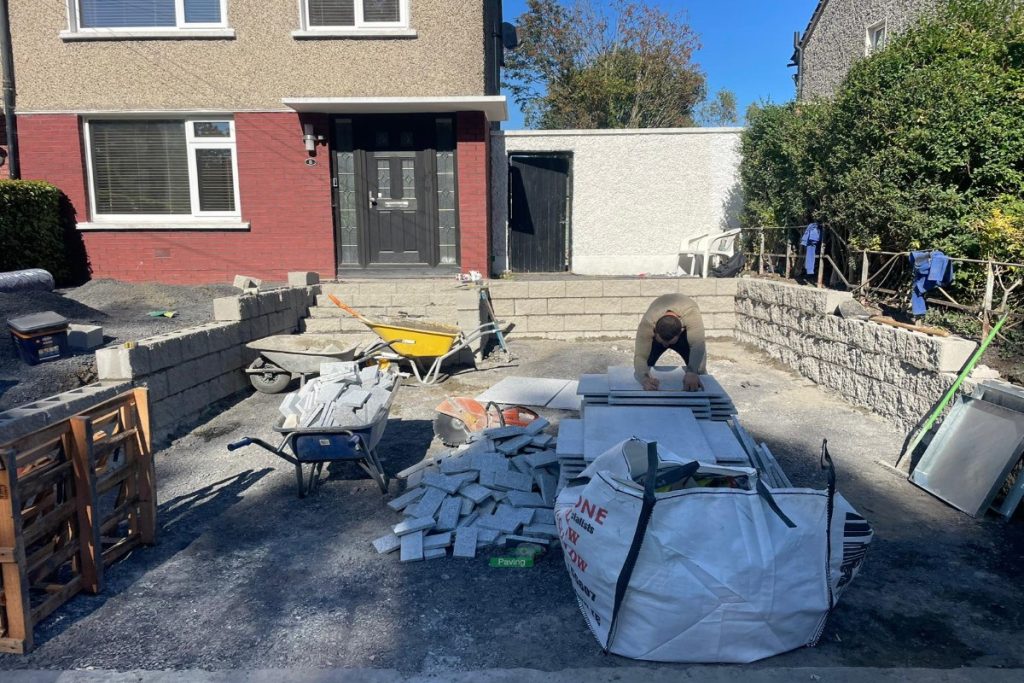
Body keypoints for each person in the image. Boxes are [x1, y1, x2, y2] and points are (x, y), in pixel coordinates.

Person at [633, 293, 707, 392]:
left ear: (680, 331)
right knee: (644, 367)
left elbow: (698, 344)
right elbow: (640, 356)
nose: (666, 345)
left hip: (682, 328)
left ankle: (699, 383)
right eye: (662, 342)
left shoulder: (691, 314)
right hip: (659, 326)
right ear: (654, 331)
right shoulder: (648, 323)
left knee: (699, 368)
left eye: (669, 343)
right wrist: (644, 379)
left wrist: (692, 372)